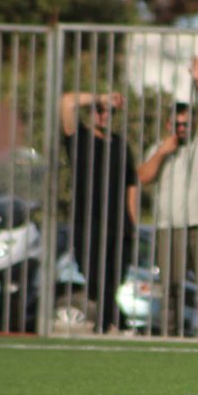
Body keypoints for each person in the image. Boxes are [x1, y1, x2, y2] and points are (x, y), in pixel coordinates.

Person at [138, 56, 198, 337]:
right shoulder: (158, 148)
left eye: (186, 124)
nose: (182, 128)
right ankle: (169, 333)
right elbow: (143, 177)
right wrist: (163, 152)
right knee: (170, 286)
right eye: (178, 124)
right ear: (168, 124)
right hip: (168, 226)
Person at [60, 89, 139, 333]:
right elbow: (68, 101)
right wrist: (102, 97)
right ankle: (120, 321)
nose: (104, 115)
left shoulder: (121, 145)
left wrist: (133, 224)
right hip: (87, 223)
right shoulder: (80, 138)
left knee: (112, 281)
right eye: (100, 110)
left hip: (118, 224)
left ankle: (104, 327)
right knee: (94, 279)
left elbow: (131, 185)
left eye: (109, 112)